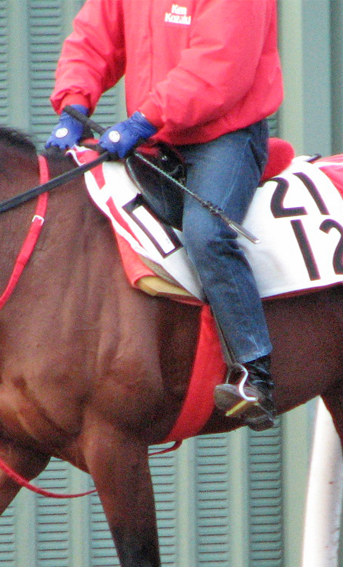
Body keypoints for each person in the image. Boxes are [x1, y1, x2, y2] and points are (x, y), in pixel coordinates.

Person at [46, 0, 283, 431]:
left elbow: (220, 65)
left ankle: (255, 374)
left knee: (206, 233)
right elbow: (93, 38)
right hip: (157, 133)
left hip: (224, 136)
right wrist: (75, 102)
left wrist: (144, 119)